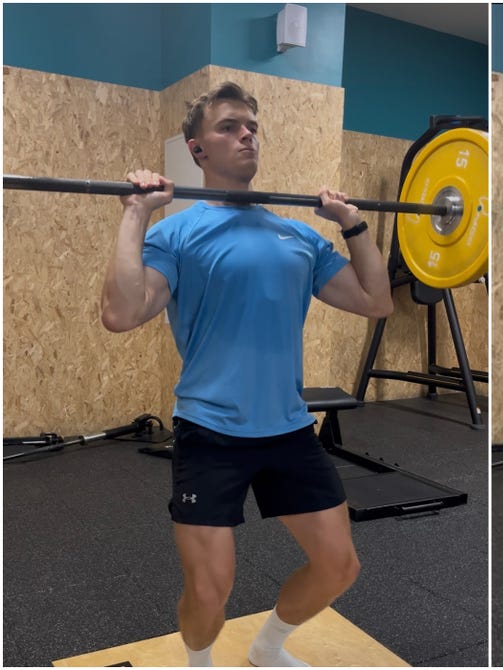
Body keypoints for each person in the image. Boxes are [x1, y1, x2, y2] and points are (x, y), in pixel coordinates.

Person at [100, 82, 393, 667]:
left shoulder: (300, 237)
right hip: (210, 432)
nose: (246, 134)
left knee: (339, 567)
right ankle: (200, 663)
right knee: (211, 592)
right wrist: (136, 214)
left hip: (287, 428)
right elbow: (121, 313)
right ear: (197, 150)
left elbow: (375, 302)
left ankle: (267, 648)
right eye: (229, 126)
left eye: (251, 125)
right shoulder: (177, 233)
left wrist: (353, 225)